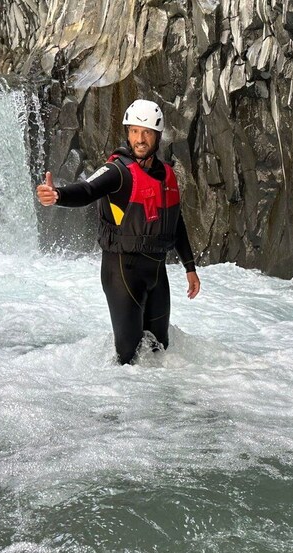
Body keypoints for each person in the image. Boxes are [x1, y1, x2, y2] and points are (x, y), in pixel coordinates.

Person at [36, 99, 201, 364]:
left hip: (157, 273)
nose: (140, 139)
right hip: (123, 272)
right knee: (128, 358)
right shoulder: (117, 171)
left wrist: (189, 267)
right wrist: (57, 195)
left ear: (157, 137)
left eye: (146, 132)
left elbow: (176, 222)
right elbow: (87, 190)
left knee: (160, 351)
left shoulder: (168, 176)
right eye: (134, 131)